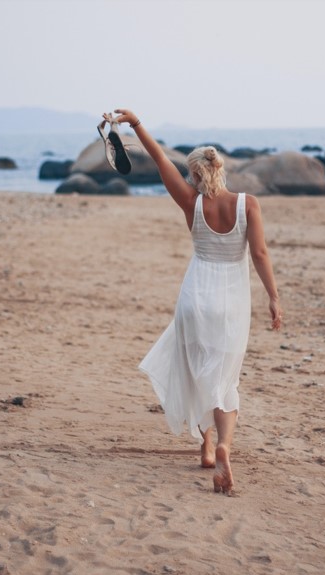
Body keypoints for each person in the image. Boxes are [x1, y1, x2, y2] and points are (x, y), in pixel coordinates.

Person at [101, 108, 282, 495]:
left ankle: (204, 445)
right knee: (224, 378)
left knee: (199, 370)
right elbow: (261, 254)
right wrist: (273, 297)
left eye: (190, 174)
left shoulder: (190, 202)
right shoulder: (248, 204)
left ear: (197, 175)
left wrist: (135, 125)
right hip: (232, 301)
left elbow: (159, 159)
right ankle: (222, 445)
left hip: (195, 299)